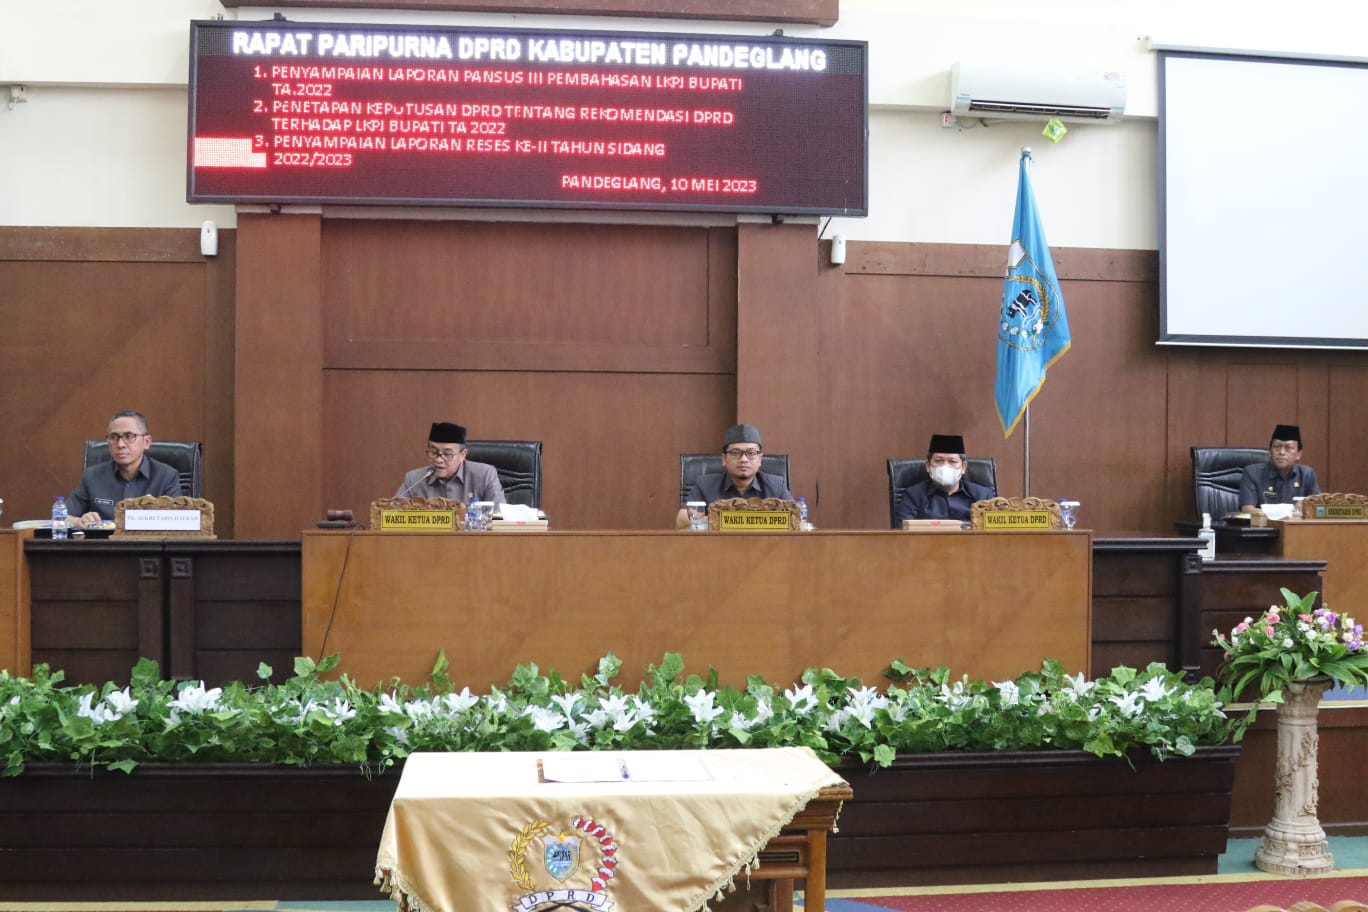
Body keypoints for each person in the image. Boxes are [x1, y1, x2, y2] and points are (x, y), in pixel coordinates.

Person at [69, 409, 182, 527]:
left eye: (129, 436)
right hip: (104, 543)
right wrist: (79, 521)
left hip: (148, 543)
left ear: (146, 442)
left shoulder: (166, 476)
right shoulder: (92, 476)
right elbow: (61, 516)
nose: (120, 444)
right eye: (114, 437)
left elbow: (179, 522)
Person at [674, 423, 792, 529]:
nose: (744, 459)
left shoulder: (777, 486)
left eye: (751, 453)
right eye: (735, 453)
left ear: (760, 459)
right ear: (724, 459)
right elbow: (682, 520)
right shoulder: (705, 484)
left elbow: (795, 519)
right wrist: (728, 520)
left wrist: (717, 520)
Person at [395, 421, 505, 506]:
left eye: (447, 454)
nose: (438, 460)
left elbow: (498, 517)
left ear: (463, 455)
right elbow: (393, 514)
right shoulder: (414, 479)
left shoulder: (485, 475)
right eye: (434, 452)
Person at [895, 433, 995, 524]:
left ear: (963, 467)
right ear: (928, 466)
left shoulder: (983, 496)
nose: (945, 467)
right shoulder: (913, 496)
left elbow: (994, 533)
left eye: (952, 461)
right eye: (939, 461)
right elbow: (904, 534)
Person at [1239, 424, 1320, 513]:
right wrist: (1291, 510)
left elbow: (1318, 508)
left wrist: (1306, 507)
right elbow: (1247, 510)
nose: (1281, 452)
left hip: (1295, 526)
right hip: (1263, 526)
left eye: (1288, 448)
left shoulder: (1307, 474)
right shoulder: (1252, 473)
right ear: (1270, 452)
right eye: (1277, 447)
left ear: (1298, 454)